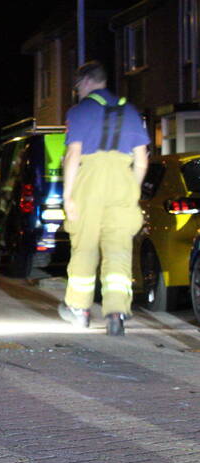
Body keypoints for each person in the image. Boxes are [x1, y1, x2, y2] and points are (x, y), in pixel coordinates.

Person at [57, 60, 148, 336]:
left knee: (84, 246)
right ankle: (116, 313)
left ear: (85, 82)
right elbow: (142, 160)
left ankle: (79, 309)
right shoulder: (130, 111)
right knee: (119, 250)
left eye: (77, 87)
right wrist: (131, 190)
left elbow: (73, 155)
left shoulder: (80, 111)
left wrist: (68, 196)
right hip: (123, 180)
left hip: (90, 181)